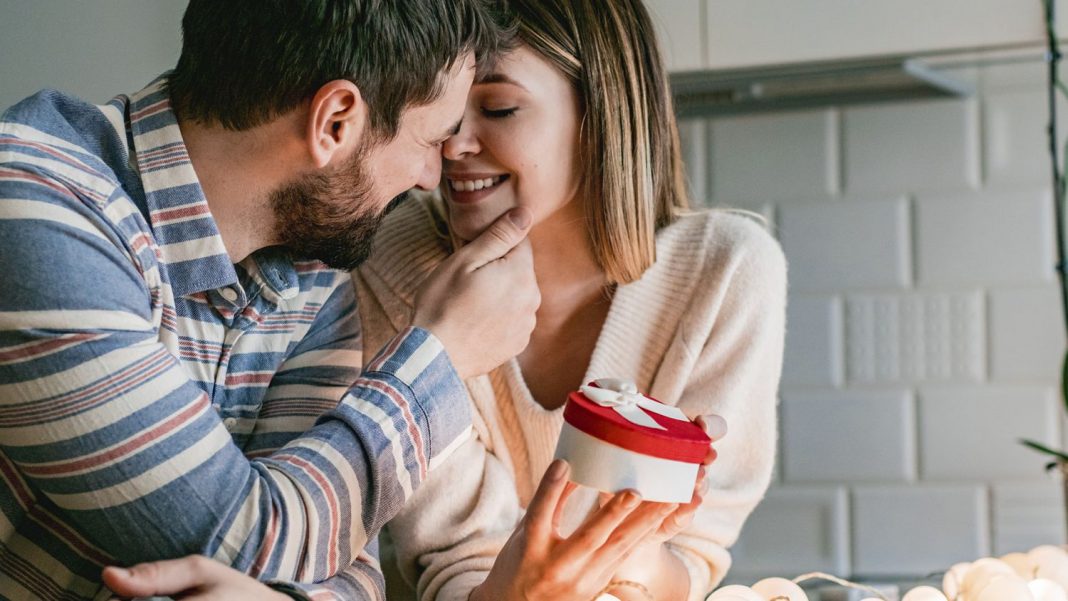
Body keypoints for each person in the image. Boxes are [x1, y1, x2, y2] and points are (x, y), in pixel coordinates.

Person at [0, 2, 546, 599]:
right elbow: (245, 538)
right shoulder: (35, 213)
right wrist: (439, 355)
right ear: (335, 121)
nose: (426, 178)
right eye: (430, 139)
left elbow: (343, 562)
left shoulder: (310, 259)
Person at [351, 0, 787, 599]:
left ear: (599, 112)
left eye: (498, 107)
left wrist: (642, 534)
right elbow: (455, 559)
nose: (453, 144)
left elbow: (687, 564)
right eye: (445, 107)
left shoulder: (727, 271)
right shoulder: (392, 260)